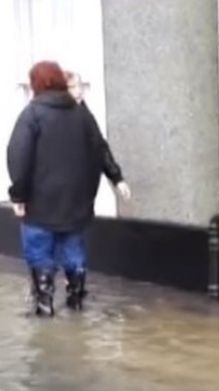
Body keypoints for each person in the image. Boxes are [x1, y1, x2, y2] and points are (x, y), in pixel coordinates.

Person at [7, 61, 108, 317]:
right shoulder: (81, 114)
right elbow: (98, 150)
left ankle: (44, 305)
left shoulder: (32, 115)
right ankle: (76, 302)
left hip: (40, 204)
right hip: (75, 204)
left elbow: (18, 156)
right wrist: (91, 192)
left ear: (36, 85)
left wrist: (18, 195)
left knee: (39, 252)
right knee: (74, 252)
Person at [66, 71, 132, 202]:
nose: (78, 91)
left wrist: (117, 178)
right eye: (72, 87)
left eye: (80, 86)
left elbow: (99, 146)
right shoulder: (55, 117)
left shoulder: (84, 114)